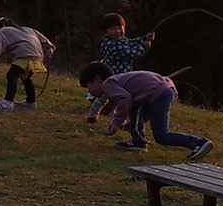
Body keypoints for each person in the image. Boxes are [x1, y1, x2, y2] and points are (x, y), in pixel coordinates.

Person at [78, 61, 213, 158]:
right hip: (164, 89)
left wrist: (116, 123)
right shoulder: (120, 80)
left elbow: (124, 99)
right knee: (136, 111)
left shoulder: (108, 84)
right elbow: (134, 106)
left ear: (97, 79)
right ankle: (138, 142)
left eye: (88, 86)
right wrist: (131, 125)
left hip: (158, 93)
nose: (89, 91)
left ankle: (198, 143)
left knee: (161, 136)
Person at [88, 12, 154, 124]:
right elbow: (129, 53)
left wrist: (144, 38)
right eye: (113, 29)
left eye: (120, 28)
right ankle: (104, 117)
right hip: (112, 76)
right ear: (106, 32)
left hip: (121, 76)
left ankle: (97, 115)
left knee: (108, 97)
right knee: (110, 97)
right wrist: (143, 47)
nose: (118, 32)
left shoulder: (121, 41)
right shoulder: (111, 44)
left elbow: (131, 42)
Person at [0, 17, 53, 110]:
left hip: (25, 56)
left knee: (11, 75)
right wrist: (50, 48)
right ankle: (31, 101)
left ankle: (8, 102)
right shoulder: (26, 29)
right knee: (25, 77)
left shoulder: (1, 32)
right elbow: (44, 40)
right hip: (38, 57)